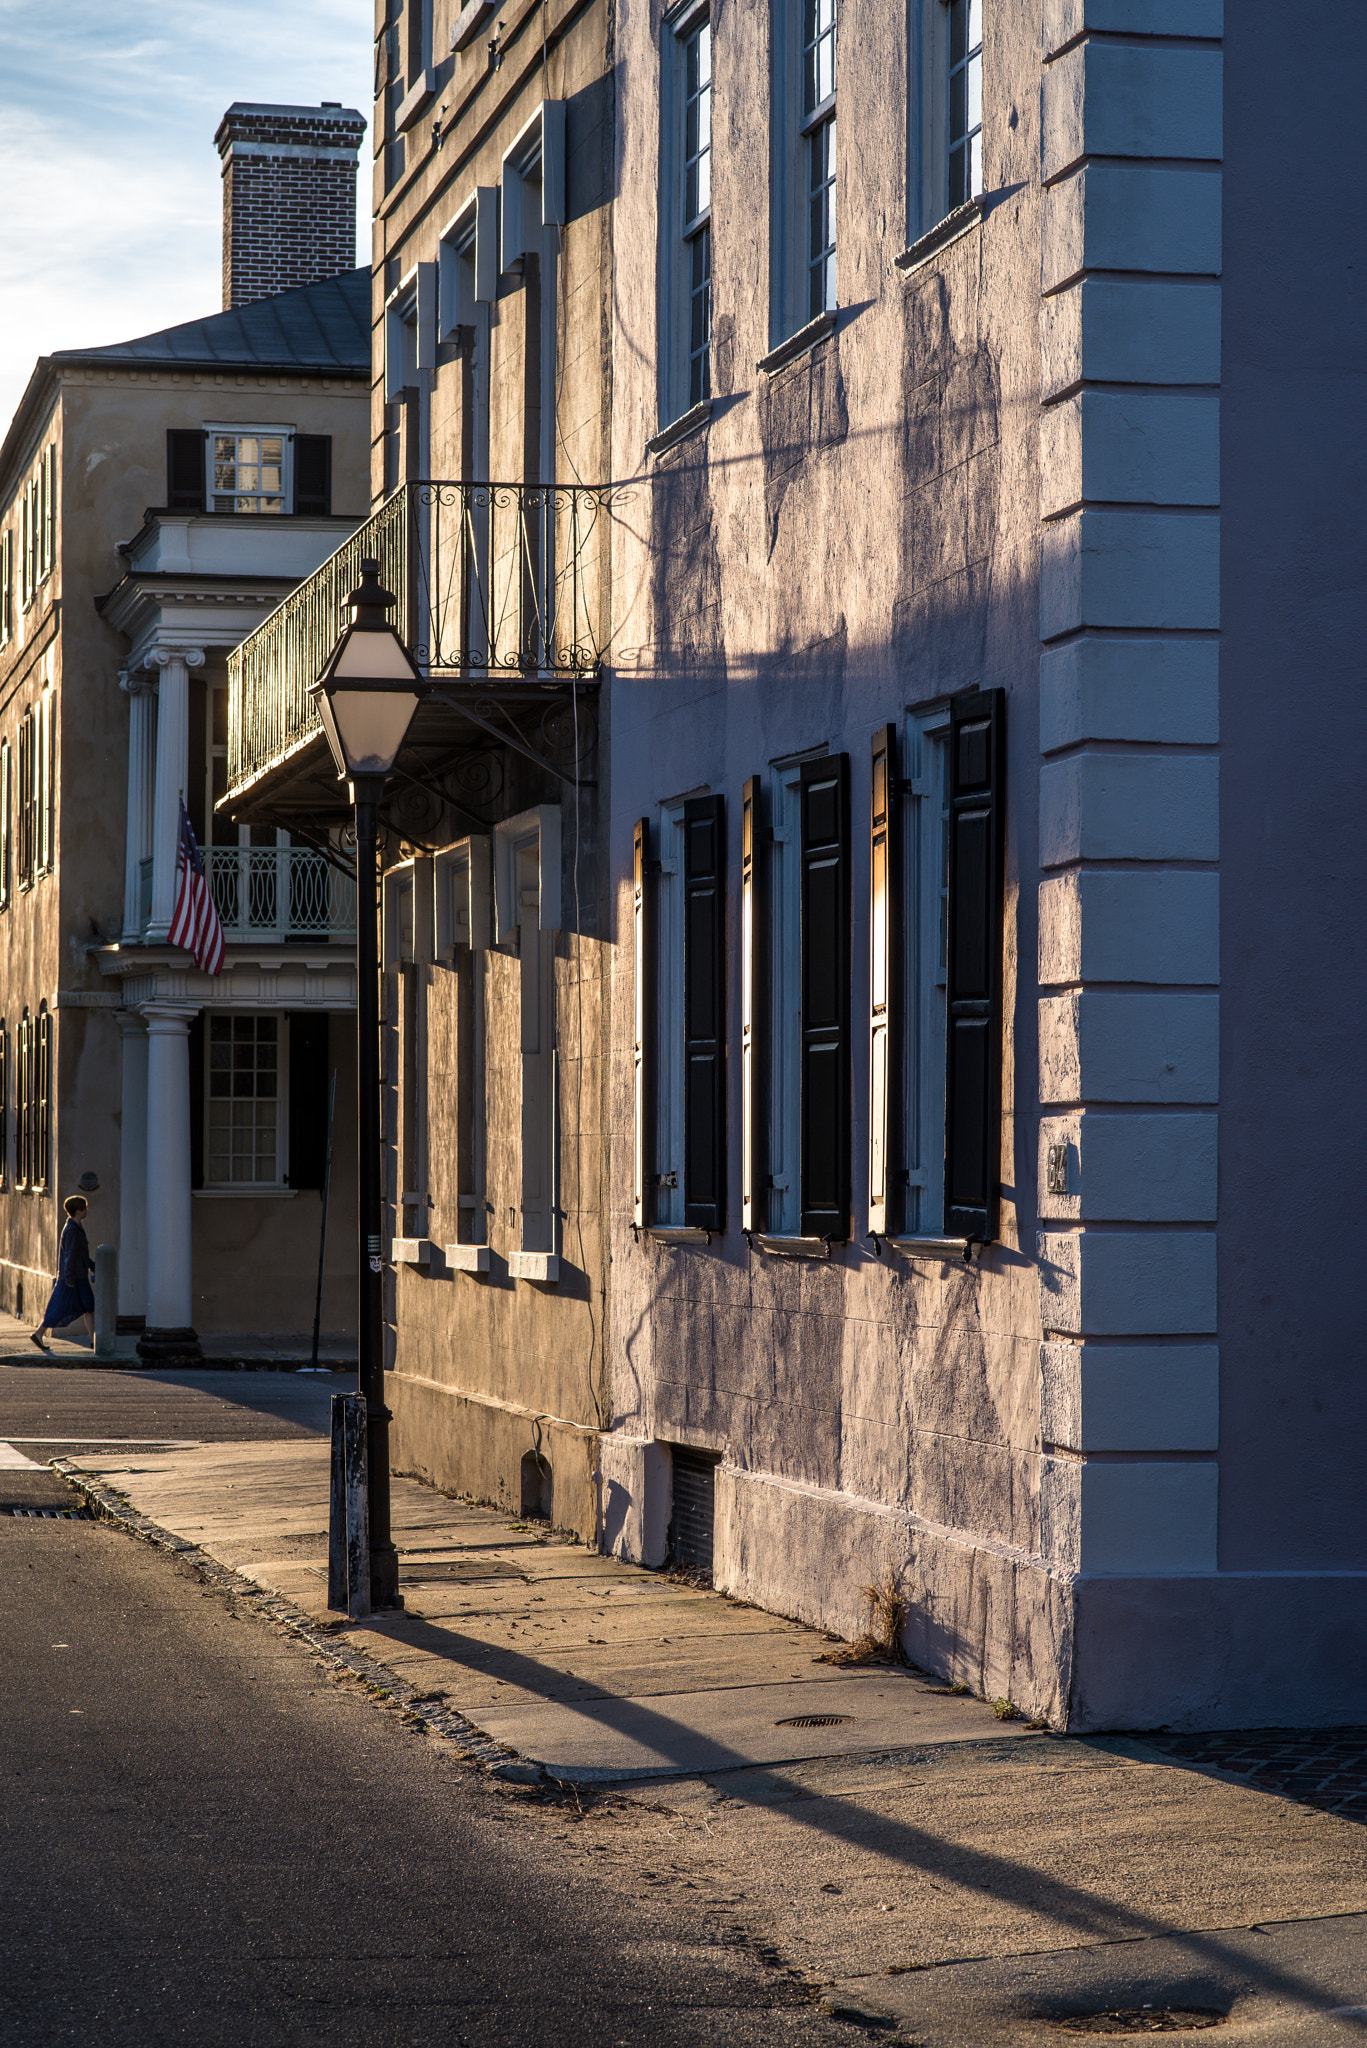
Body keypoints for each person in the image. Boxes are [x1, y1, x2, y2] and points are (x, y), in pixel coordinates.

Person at [31, 1195, 96, 1350]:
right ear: (79, 1211)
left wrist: (93, 1266)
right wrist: (69, 1279)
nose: (86, 1211)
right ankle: (39, 1333)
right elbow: (70, 1256)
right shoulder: (72, 1230)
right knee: (59, 1307)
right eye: (84, 1208)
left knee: (88, 1307)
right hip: (73, 1278)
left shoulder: (77, 1228)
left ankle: (94, 1340)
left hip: (77, 1276)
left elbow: (81, 1255)